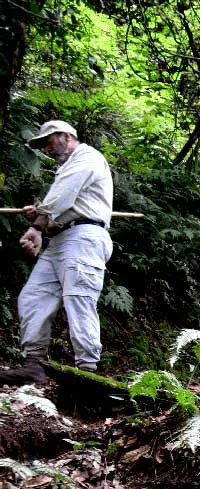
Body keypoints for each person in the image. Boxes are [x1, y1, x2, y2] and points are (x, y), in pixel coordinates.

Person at [0, 120, 113, 385]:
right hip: (63, 239)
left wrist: (38, 224)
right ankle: (34, 363)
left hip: (85, 237)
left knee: (79, 299)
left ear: (65, 136)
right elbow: (63, 208)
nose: (46, 149)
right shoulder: (68, 168)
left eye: (48, 142)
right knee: (33, 297)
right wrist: (42, 216)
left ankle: (87, 372)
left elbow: (62, 197)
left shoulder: (87, 157)